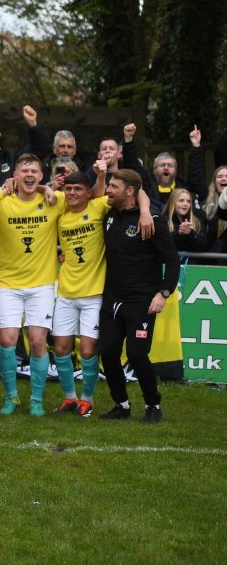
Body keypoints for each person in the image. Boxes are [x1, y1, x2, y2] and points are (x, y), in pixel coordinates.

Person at [0, 152, 66, 415]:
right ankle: (11, 397)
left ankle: (36, 399)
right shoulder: (2, 201)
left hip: (42, 284)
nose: (30, 175)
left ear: (41, 176)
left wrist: (49, 189)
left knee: (37, 342)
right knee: (7, 339)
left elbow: (91, 197)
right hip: (8, 284)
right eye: (25, 171)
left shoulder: (54, 201)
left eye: (34, 171)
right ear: (16, 176)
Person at [99, 169, 180, 423]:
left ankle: (153, 405)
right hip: (112, 300)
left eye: (113, 186)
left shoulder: (151, 221)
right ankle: (121, 405)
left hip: (141, 302)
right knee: (109, 352)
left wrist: (164, 293)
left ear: (130, 191)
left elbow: (173, 261)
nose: (108, 190)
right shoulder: (110, 216)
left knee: (136, 355)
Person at [50, 163, 109, 417]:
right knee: (61, 347)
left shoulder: (98, 206)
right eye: (69, 188)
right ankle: (69, 398)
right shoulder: (60, 215)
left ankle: (87, 399)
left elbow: (136, 190)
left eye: (78, 189)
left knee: (87, 349)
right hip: (65, 292)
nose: (72, 193)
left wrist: (103, 175)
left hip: (94, 294)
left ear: (89, 192)